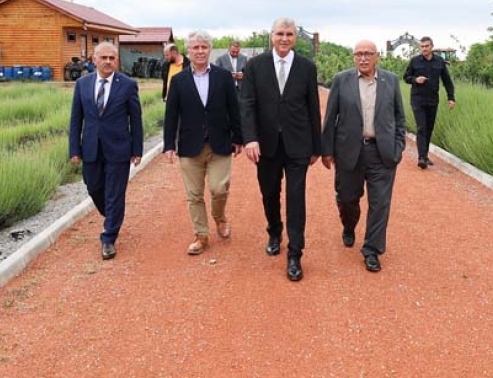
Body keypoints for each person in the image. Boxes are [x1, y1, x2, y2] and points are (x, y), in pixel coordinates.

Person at [240, 18, 322, 281]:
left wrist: (317, 147)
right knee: (269, 193)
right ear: (271, 36)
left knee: (296, 199)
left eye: (289, 34)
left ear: (295, 37)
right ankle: (274, 232)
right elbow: (247, 104)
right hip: (265, 145)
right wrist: (250, 138)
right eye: (279, 34)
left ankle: (295, 254)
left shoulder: (307, 67)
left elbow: (313, 108)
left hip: (298, 144)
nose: (284, 38)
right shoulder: (255, 66)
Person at [321, 40, 406, 272]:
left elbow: (399, 118)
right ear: (353, 57)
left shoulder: (390, 80)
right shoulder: (341, 80)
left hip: (382, 152)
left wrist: (398, 147)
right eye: (358, 54)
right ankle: (349, 226)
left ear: (377, 56)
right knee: (347, 198)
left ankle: (372, 250)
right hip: (349, 151)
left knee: (380, 204)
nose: (363, 58)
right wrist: (326, 150)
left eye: (368, 53)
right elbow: (330, 117)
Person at [163, 30, 243, 254]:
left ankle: (220, 217)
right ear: (188, 51)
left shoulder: (223, 77)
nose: (199, 51)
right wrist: (168, 144)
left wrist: (238, 138)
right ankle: (201, 235)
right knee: (194, 195)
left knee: (219, 188)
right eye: (195, 47)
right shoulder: (178, 81)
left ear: (210, 50)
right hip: (189, 146)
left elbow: (234, 109)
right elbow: (171, 115)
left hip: (220, 144)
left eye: (204, 47)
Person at [69, 42, 144, 260]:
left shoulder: (127, 85)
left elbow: (135, 120)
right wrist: (74, 149)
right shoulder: (82, 84)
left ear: (116, 60)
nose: (108, 62)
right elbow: (76, 119)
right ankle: (112, 214)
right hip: (91, 148)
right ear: (94, 60)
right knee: (93, 187)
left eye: (112, 58)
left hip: (118, 148)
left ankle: (109, 237)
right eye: (104, 58)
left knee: (115, 193)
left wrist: (137, 150)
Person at [403, 36, 455, 169]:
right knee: (421, 127)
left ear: (432, 47)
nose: (424, 49)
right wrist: (415, 80)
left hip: (432, 100)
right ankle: (421, 158)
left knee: (429, 128)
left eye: (426, 46)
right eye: (422, 46)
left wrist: (451, 98)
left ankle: (425, 156)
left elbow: (447, 81)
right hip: (417, 99)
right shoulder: (415, 61)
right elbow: (406, 77)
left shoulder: (439, 62)